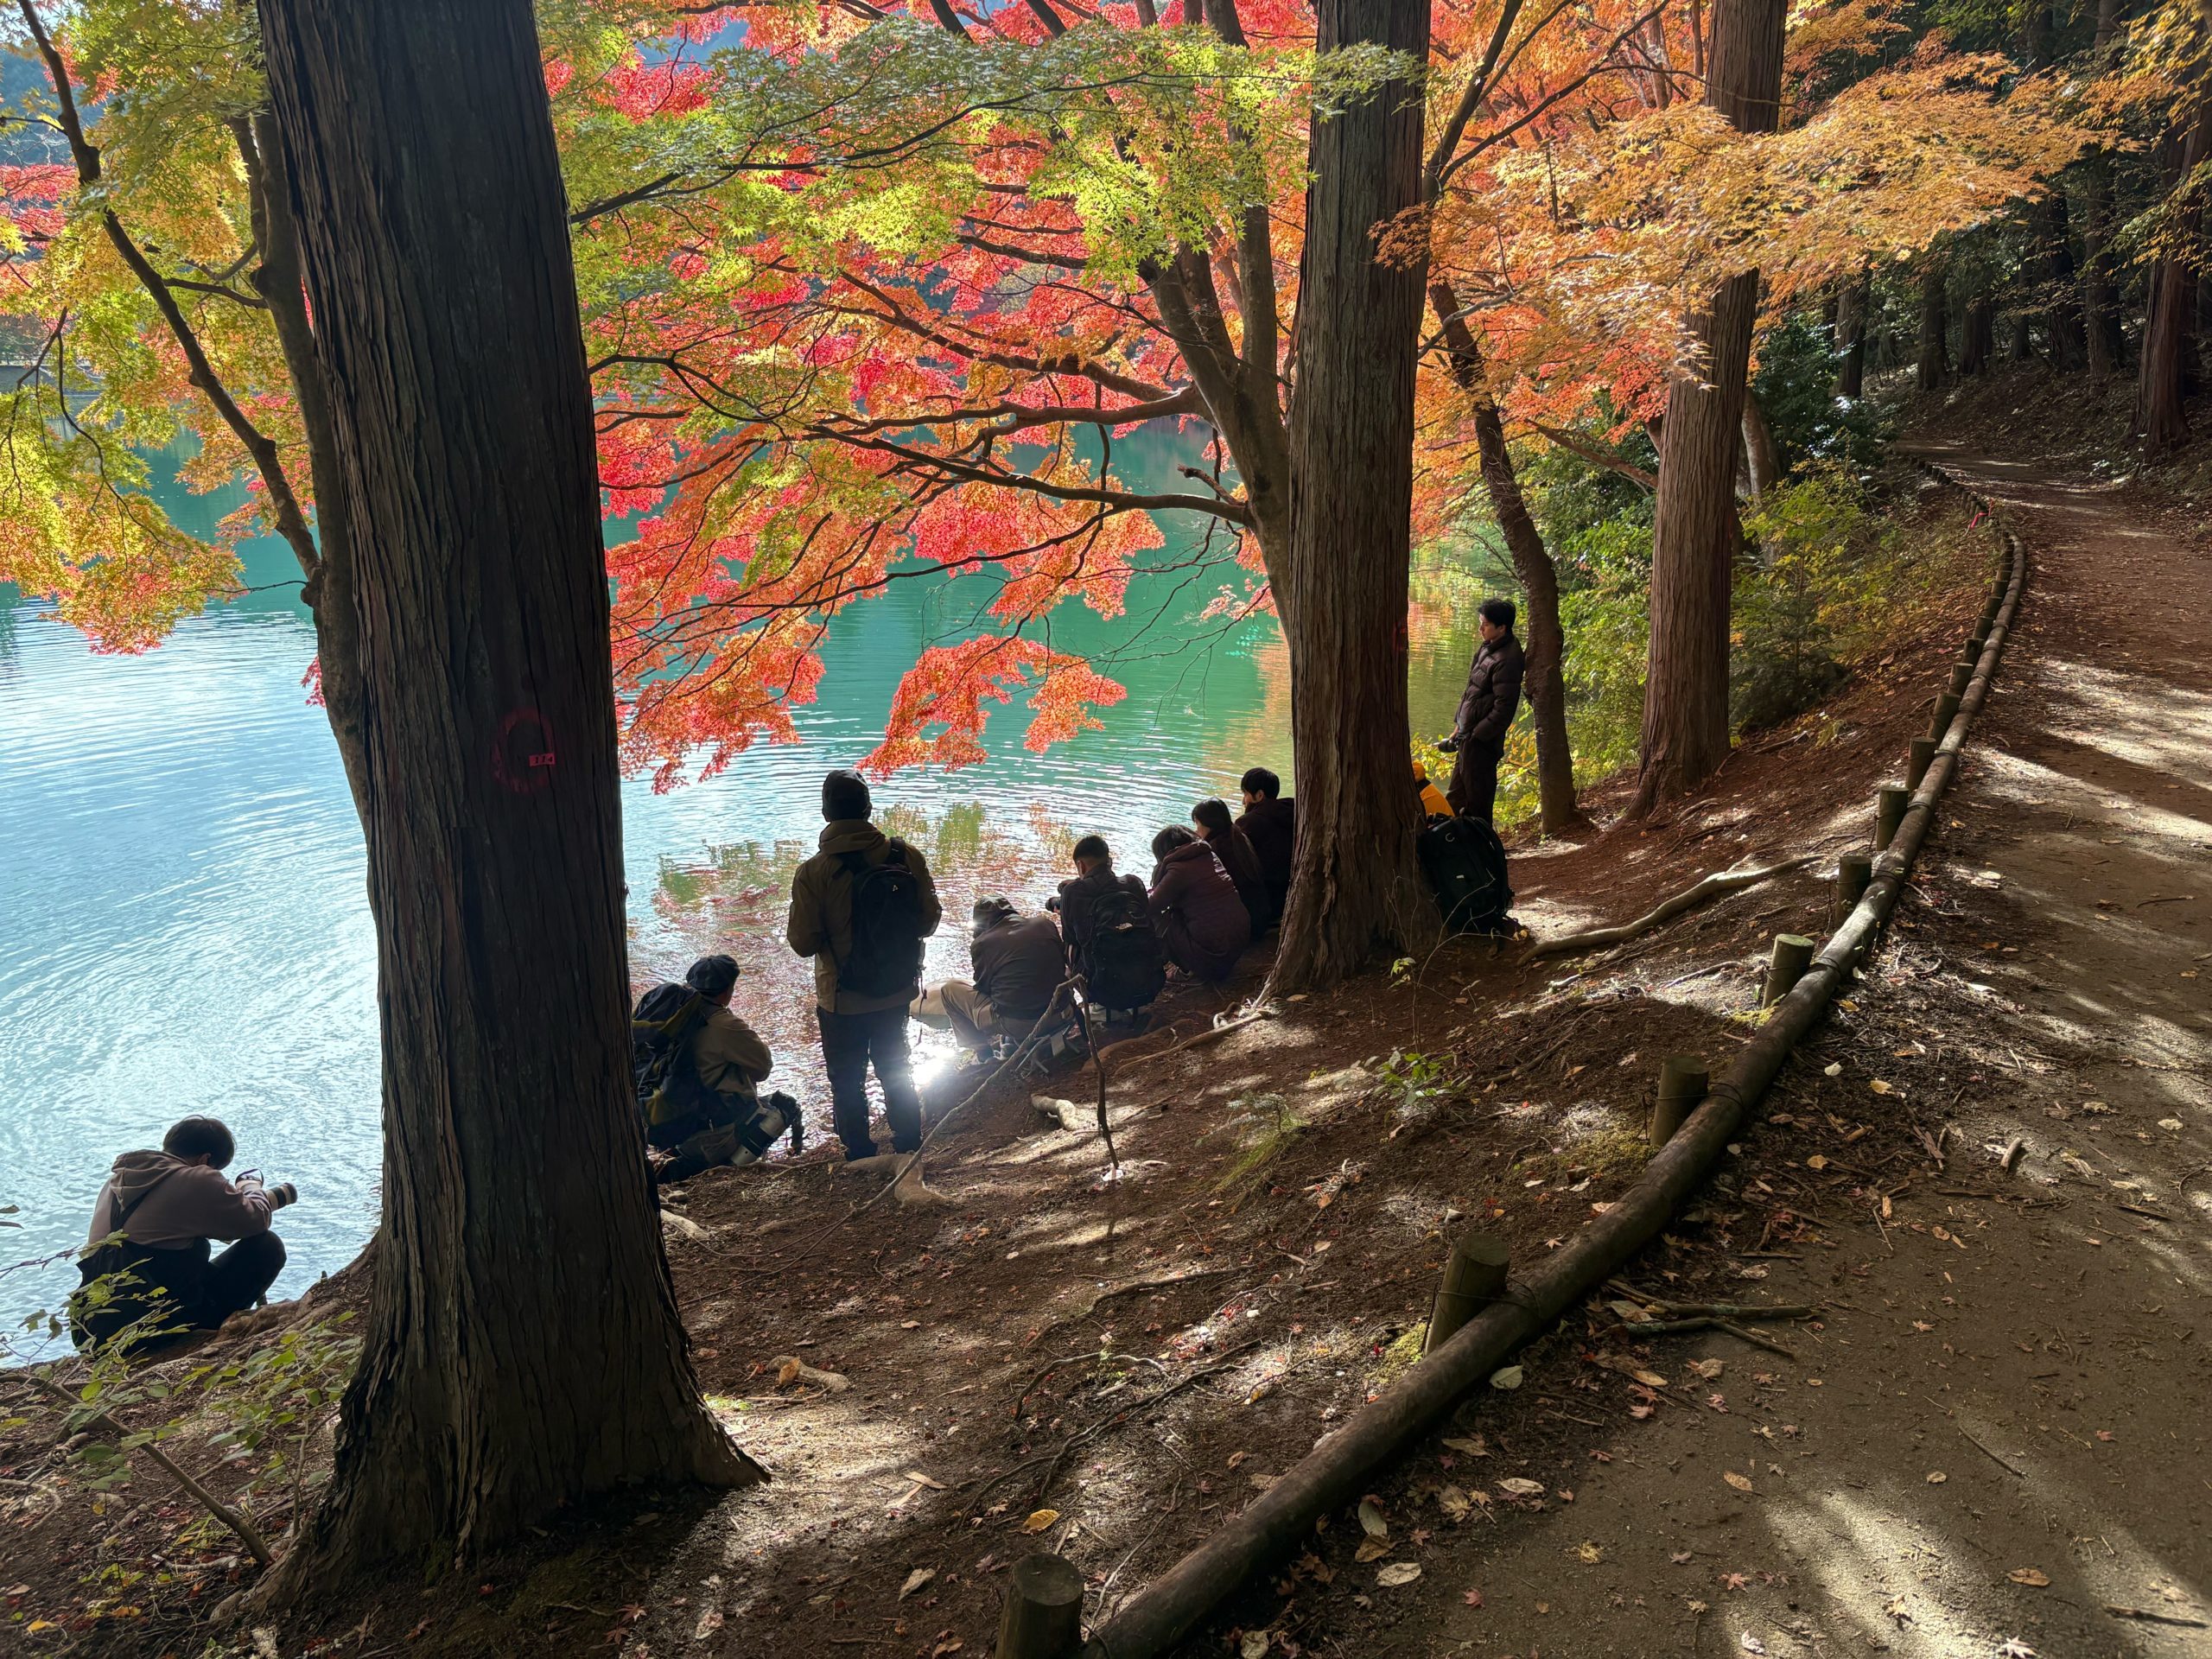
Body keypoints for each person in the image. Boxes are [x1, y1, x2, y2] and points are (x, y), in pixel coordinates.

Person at [788, 767, 942, 1162]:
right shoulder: (905, 856)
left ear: (826, 814)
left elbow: (802, 944)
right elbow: (929, 921)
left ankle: (859, 1154)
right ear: (868, 809)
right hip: (896, 989)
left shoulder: (813, 872)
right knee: (897, 1066)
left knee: (847, 1080)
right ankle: (908, 1143)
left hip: (842, 999)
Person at [71, 1116, 292, 1354]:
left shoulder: (117, 1182)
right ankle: (207, 1331)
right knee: (266, 1246)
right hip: (156, 1325)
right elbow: (256, 1220)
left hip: (90, 1328)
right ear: (205, 1160)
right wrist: (250, 1186)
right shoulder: (197, 1177)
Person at [636, 954, 789, 1185]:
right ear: (727, 991)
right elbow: (763, 1070)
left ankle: (681, 1163)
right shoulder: (725, 1025)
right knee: (785, 1106)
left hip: (671, 1128)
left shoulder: (667, 1020)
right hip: (712, 1135)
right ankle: (727, 1171)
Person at [914, 896, 1066, 1051]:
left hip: (1023, 1024)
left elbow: (984, 988)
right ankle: (1015, 1040)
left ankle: (983, 1053)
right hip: (1063, 1012)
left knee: (949, 990)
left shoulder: (983, 943)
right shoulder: (1044, 924)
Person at [1052, 836, 1166, 1014]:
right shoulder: (1134, 883)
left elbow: (1071, 938)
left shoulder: (1073, 892)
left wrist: (1066, 906)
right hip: (1149, 984)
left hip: (1102, 990)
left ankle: (1096, 1004)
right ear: (1109, 861)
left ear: (1081, 866)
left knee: (1067, 945)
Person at [1440, 598, 1525, 822]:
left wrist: (1476, 735)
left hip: (1481, 744)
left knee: (1477, 804)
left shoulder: (1508, 659)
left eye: (1485, 624)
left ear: (1502, 628)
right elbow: (1471, 691)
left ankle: (1483, 843)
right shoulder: (1488, 647)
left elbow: (1504, 708)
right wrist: (1459, 726)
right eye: (1480, 623)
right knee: (1455, 798)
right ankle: (1451, 841)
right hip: (1467, 737)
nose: (1480, 629)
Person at [1147, 824, 1251, 982]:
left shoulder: (1178, 870)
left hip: (1214, 955)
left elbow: (1151, 906)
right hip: (1238, 942)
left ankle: (1188, 969)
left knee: (1156, 918)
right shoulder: (1209, 856)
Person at [1192, 797, 1272, 930]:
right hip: (1260, 916)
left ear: (1209, 824)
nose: (1196, 831)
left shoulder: (1215, 850)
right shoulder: (1238, 836)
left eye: (1197, 824)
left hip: (1245, 924)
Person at [1235, 767, 1296, 921]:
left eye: (1245, 794)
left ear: (1259, 795)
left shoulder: (1249, 822)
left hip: (1265, 901)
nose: (1243, 801)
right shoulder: (1295, 812)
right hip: (1289, 894)